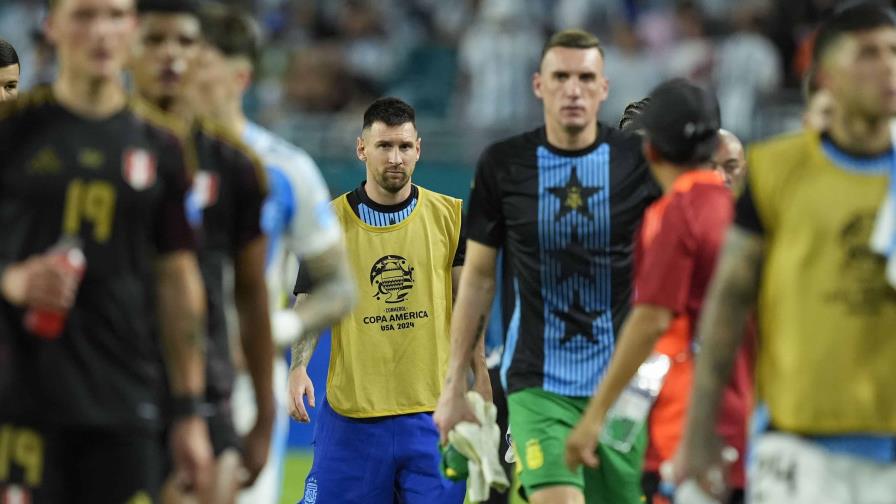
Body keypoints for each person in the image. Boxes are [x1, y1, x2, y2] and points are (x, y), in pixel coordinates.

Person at [674, 4, 896, 502]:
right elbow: (728, 305)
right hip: (799, 447)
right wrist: (698, 429)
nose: (888, 66)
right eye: (868, 53)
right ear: (827, 77)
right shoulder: (775, 173)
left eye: (894, 52)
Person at [435, 29, 661, 504]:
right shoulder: (504, 165)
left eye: (585, 77)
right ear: (538, 84)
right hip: (537, 381)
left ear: (603, 86)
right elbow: (476, 277)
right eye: (561, 76)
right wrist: (458, 378)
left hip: (623, 385)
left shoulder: (639, 170)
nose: (573, 89)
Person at [0, 0, 212, 501]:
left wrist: (189, 412)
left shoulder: (162, 145)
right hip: (21, 400)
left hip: (125, 400)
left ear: (132, 28)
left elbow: (178, 279)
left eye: (115, 15)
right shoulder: (14, 134)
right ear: (52, 27)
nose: (101, 31)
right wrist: (10, 280)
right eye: (84, 15)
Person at [192, 5, 354, 504]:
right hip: (147, 376)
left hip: (242, 386)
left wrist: (273, 332)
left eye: (200, 66)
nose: (182, 75)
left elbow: (340, 287)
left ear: (239, 76)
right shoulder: (145, 157)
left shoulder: (286, 170)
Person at [564, 79, 752, 504]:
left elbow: (650, 321)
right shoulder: (740, 214)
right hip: (738, 419)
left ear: (649, 152)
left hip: (683, 428)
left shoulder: (676, 215)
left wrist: (593, 419)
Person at [290, 97, 486, 504]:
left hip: (432, 414)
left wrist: (480, 377)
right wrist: (298, 368)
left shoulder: (451, 216)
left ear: (419, 149)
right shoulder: (331, 222)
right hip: (353, 418)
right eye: (384, 146)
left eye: (404, 147)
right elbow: (310, 299)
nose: (395, 158)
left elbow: (469, 306)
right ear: (362, 149)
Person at [130, 2, 275, 502]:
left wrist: (265, 414)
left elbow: (252, 294)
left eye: (187, 43)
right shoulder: (94, 149)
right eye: (154, 40)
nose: (171, 55)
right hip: (111, 386)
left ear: (204, 56)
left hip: (208, 393)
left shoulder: (237, 167)